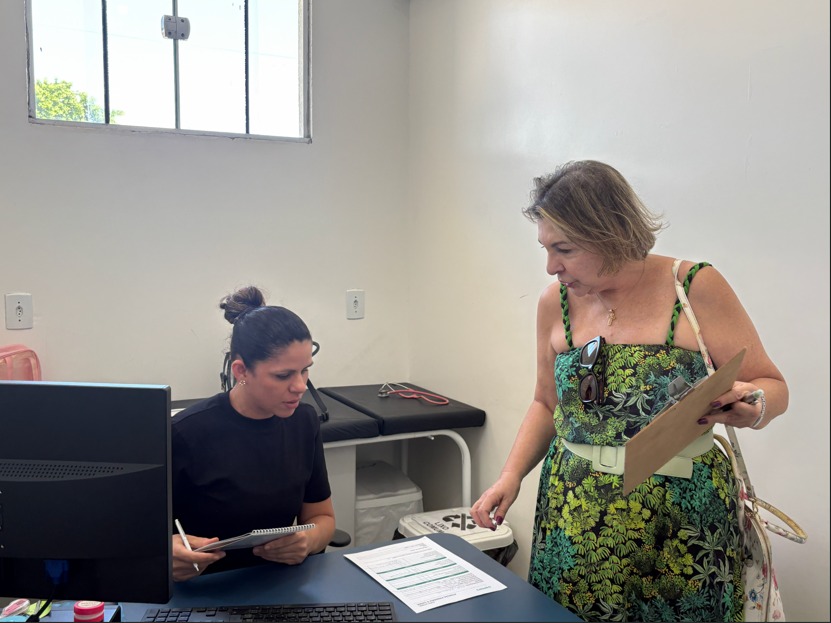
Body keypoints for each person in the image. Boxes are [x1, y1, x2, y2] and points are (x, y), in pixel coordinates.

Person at [470, 160, 788, 621]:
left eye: (564, 249)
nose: (551, 266)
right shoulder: (555, 303)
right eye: (546, 248)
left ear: (611, 234)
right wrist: (510, 476)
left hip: (684, 518)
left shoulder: (693, 288)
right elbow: (546, 403)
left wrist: (753, 405)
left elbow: (771, 385)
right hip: (576, 517)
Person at [171, 286, 336, 581]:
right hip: (205, 589)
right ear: (242, 371)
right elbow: (135, 535)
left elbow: (322, 518)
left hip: (281, 583)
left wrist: (308, 541)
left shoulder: (304, 422)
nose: (300, 386)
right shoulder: (186, 433)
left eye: (305, 370)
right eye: (283, 375)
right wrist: (165, 553)